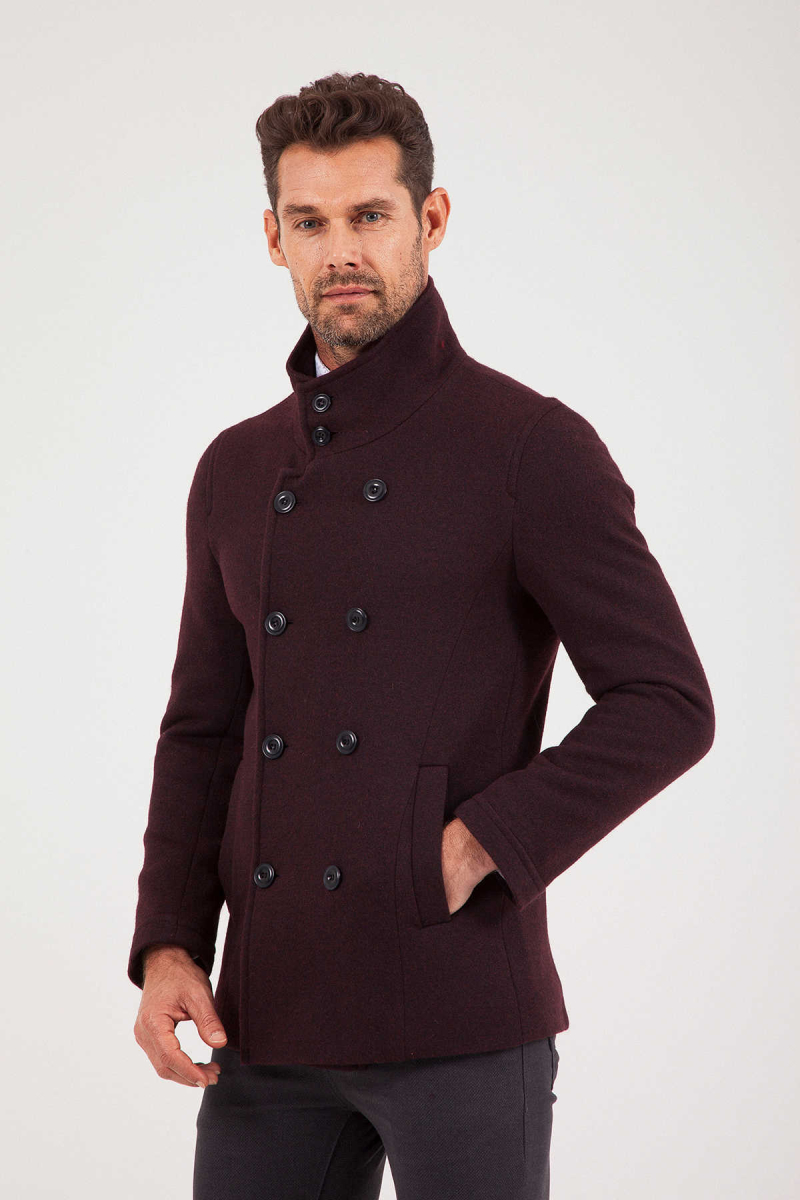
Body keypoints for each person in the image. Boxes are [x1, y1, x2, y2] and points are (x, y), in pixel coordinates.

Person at [129, 71, 715, 1200]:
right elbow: (203, 729)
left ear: (430, 220)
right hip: (266, 1020)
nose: (341, 251)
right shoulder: (235, 467)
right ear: (273, 239)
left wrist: (473, 843)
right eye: (310, 222)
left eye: (370, 215)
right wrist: (168, 945)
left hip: (460, 1012)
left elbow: (667, 704)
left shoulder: (529, 446)